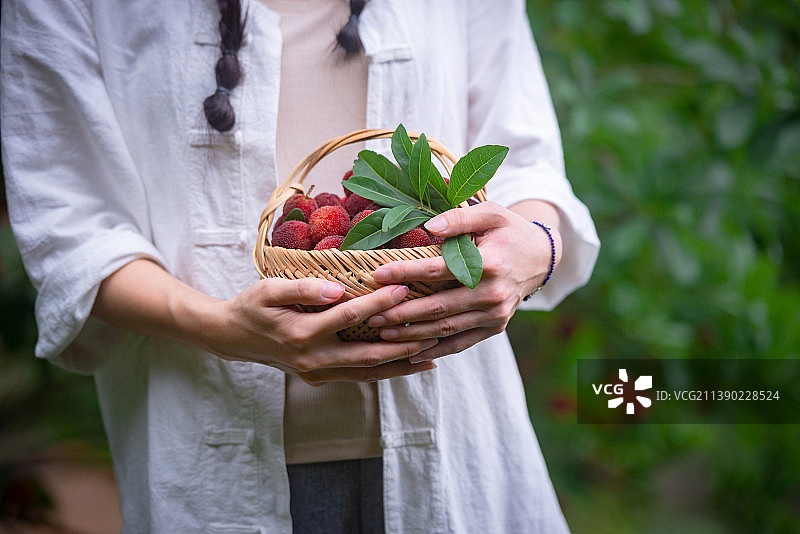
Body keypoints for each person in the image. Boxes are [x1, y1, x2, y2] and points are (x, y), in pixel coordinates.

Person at [1, 0, 600, 532]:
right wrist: (218, 325)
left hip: (459, 452)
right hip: (206, 460)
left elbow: (526, 167)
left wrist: (535, 251)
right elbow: (70, 227)